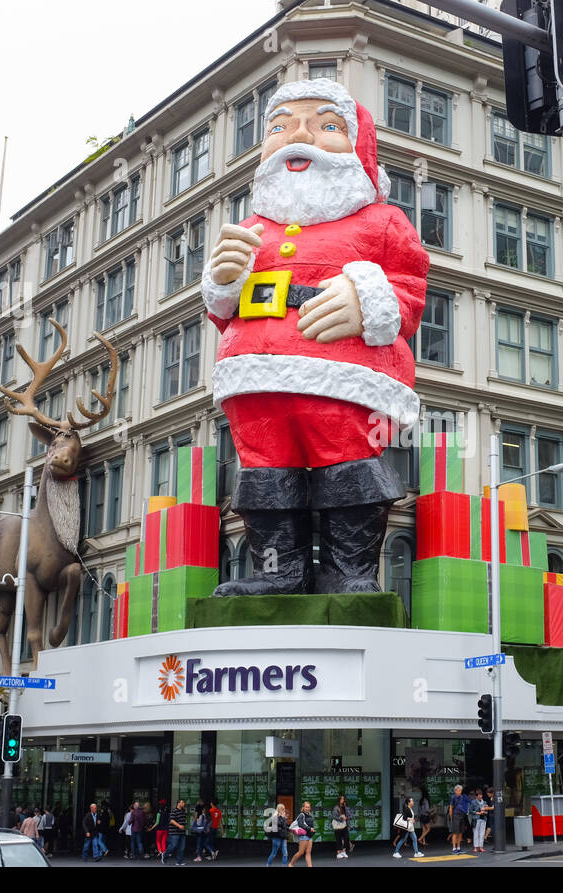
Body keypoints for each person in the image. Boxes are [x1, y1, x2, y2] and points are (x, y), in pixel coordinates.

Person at [201, 78, 430, 600]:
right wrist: (221, 282)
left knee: (349, 471)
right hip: (255, 382)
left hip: (346, 382)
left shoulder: (382, 222)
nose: (298, 137)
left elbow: (410, 290)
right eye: (280, 127)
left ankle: (350, 574)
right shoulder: (251, 226)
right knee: (264, 475)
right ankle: (278, 571)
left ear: (358, 147)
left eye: (325, 125)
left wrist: (367, 297)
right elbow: (223, 311)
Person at [288, 801, 316, 868]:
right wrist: (309, 829)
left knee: (308, 852)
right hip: (303, 836)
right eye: (306, 807)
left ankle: (310, 866)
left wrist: (312, 830)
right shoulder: (301, 815)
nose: (307, 808)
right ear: (303, 808)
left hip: (309, 836)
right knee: (301, 852)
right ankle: (291, 864)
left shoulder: (310, 815)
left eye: (308, 807)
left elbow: (311, 825)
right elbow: (301, 824)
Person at [166, 799, 188, 866]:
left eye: (184, 802)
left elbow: (183, 820)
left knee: (182, 847)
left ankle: (179, 861)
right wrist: (179, 826)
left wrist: (184, 826)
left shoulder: (183, 811)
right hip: (174, 832)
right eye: (182, 802)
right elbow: (171, 820)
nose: (183, 804)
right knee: (173, 845)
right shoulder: (174, 811)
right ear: (178, 803)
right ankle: (165, 854)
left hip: (182, 832)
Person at [447, 785, 467, 854]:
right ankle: (454, 848)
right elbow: (451, 807)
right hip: (455, 816)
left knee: (460, 832)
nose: (459, 792)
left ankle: (458, 848)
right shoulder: (453, 797)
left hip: (461, 815)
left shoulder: (462, 797)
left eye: (460, 790)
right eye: (458, 790)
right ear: (455, 791)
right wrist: (451, 817)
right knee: (455, 833)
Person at [331, 794, 351, 860]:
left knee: (346, 837)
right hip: (338, 825)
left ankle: (344, 851)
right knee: (338, 839)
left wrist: (347, 818)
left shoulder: (346, 807)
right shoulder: (336, 807)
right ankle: (339, 852)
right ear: (339, 800)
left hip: (344, 825)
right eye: (341, 799)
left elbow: (350, 815)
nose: (343, 800)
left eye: (343, 799)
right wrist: (341, 818)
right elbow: (334, 816)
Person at [469, 788, 488, 853]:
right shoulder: (473, 802)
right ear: (476, 796)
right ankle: (475, 847)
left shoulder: (485, 802)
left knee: (482, 833)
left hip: (483, 818)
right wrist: (478, 813)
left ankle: (481, 846)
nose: (480, 796)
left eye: (481, 795)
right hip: (476, 819)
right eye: (479, 795)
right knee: (476, 833)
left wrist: (485, 812)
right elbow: (470, 811)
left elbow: (487, 810)